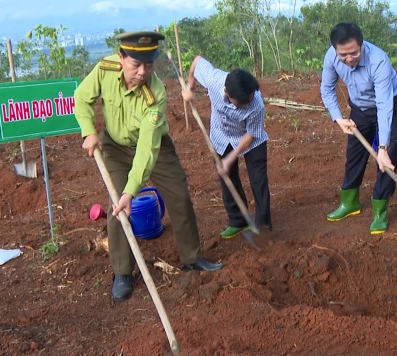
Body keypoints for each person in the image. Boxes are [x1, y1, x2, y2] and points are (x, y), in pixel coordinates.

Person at [74, 31, 223, 302]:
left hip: (155, 146)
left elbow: (146, 150)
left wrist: (134, 190)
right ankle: (122, 272)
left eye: (149, 64)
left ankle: (192, 258)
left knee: (178, 195)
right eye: (136, 65)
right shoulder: (104, 69)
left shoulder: (155, 94)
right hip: (116, 147)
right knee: (118, 206)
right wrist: (89, 131)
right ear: (121, 58)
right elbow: (81, 97)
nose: (143, 72)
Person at [320, 22, 397, 235]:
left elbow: (384, 106)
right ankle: (350, 203)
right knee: (354, 152)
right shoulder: (331, 57)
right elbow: (327, 89)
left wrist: (382, 147)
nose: (349, 59)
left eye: (354, 53)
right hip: (358, 106)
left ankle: (380, 211)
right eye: (343, 55)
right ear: (335, 50)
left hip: (386, 103)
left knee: (386, 159)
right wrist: (338, 119)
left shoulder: (379, 61)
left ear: (362, 44)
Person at [182, 56, 271, 238]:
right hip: (221, 134)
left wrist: (231, 157)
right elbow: (197, 62)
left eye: (251, 97)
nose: (250, 102)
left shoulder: (256, 103)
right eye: (243, 103)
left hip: (251, 138)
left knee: (258, 178)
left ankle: (263, 226)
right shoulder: (214, 80)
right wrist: (189, 88)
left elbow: (251, 134)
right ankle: (238, 220)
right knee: (227, 177)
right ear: (227, 93)